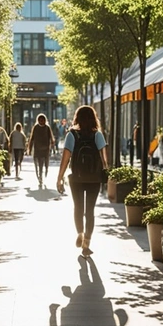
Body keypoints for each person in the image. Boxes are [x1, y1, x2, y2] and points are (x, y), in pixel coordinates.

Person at [56, 104, 109, 258]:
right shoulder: (97, 135)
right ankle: (87, 241)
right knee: (90, 211)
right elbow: (104, 158)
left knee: (78, 207)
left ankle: (79, 232)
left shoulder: (72, 135)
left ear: (77, 118)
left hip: (77, 178)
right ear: (93, 118)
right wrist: (106, 172)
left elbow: (65, 158)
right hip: (94, 178)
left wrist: (59, 178)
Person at [27, 113, 54, 187]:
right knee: (39, 165)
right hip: (38, 150)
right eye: (40, 120)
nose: (41, 121)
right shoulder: (35, 127)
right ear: (38, 120)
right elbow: (32, 138)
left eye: (43, 120)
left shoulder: (47, 128)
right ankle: (40, 177)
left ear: (45, 120)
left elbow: (51, 138)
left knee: (46, 164)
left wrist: (52, 146)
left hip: (46, 150)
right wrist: (29, 148)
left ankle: (44, 173)